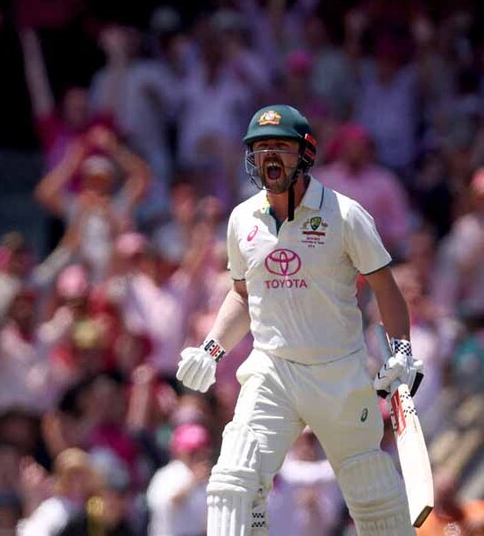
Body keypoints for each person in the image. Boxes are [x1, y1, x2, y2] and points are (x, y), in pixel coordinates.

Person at [174, 104, 423, 535]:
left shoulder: (345, 215)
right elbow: (242, 294)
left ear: (305, 154)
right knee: (234, 482)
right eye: (261, 147)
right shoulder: (241, 220)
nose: (270, 156)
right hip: (273, 370)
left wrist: (400, 353)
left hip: (338, 372)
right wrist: (211, 349)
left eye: (281, 147)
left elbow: (386, 289)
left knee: (373, 494)